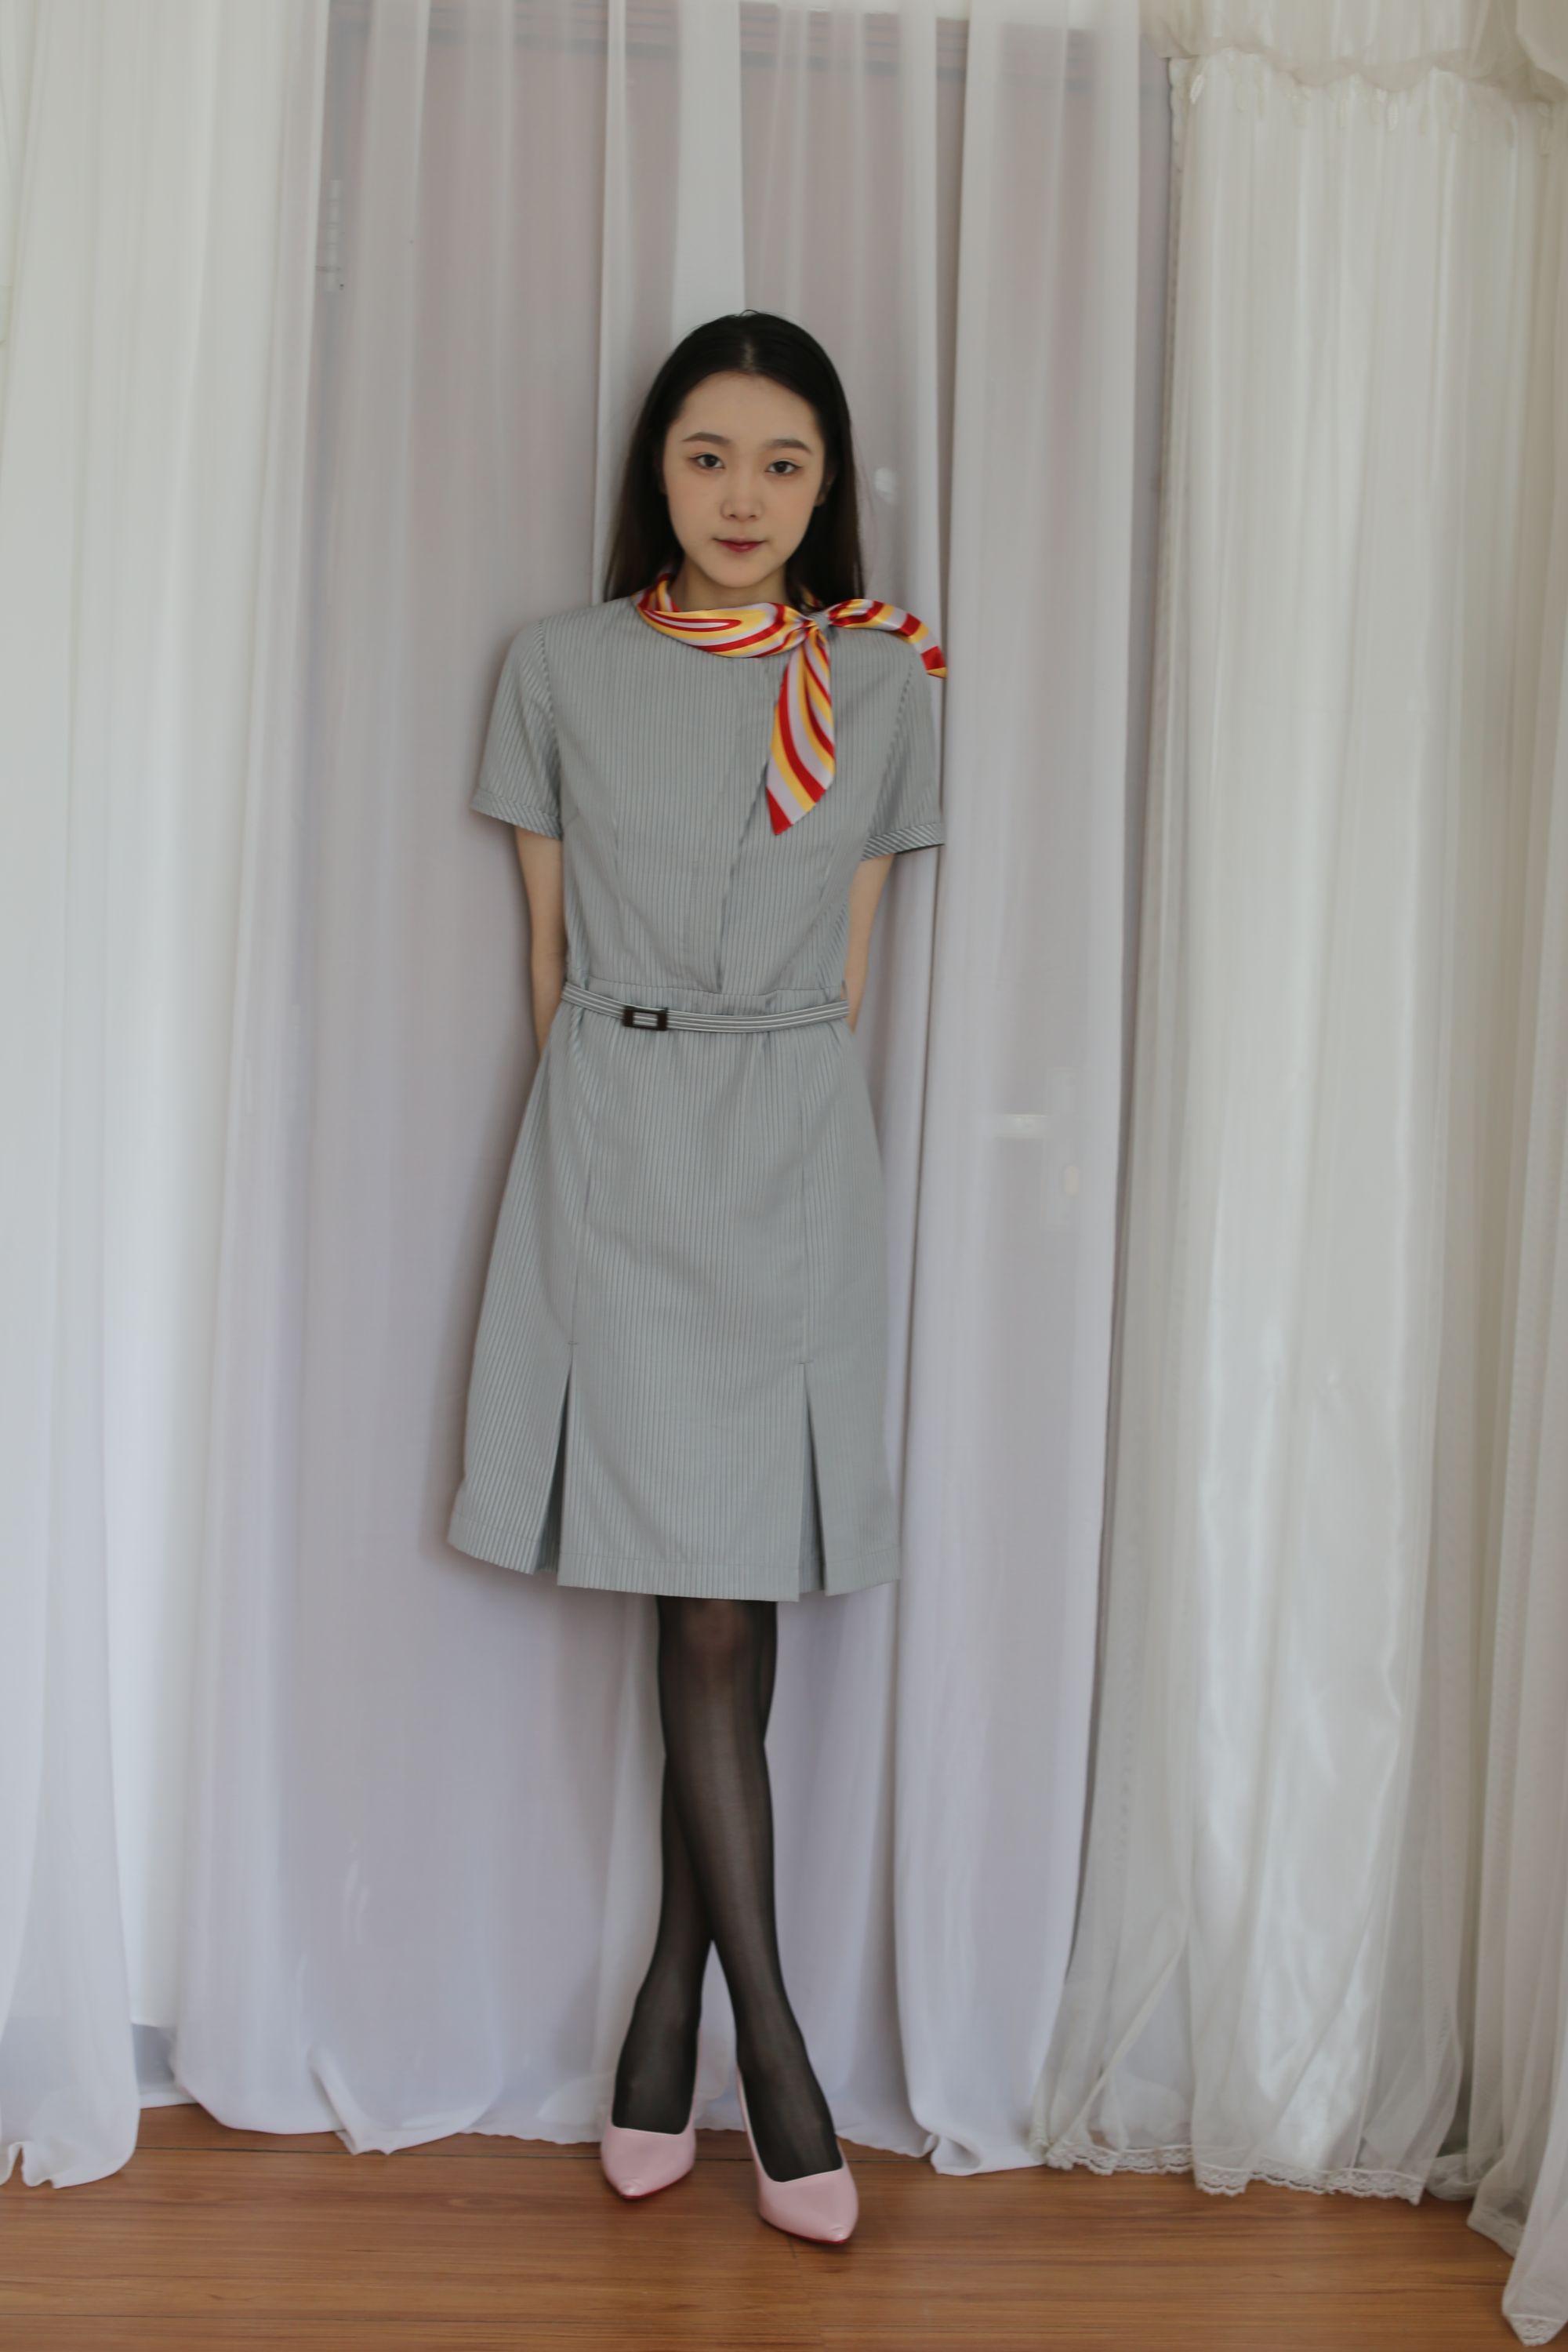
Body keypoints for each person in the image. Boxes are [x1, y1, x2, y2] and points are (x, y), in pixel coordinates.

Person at [446, 310, 947, 2244]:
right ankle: (776, 2062)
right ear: (654, 467)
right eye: (707, 455)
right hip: (618, 1136)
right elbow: (545, 957)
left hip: (792, 1152)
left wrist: (775, 1116)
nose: (744, 497)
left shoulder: (881, 680)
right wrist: (610, 1142)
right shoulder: (556, 666)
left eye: (784, 462)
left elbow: (853, 964)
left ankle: (674, 2014)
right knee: (709, 1609)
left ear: (830, 484)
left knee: (725, 1599)